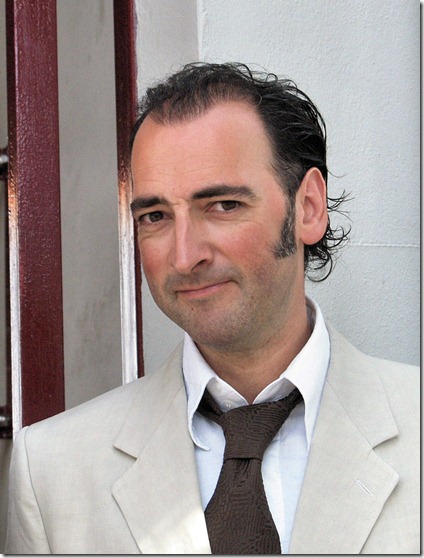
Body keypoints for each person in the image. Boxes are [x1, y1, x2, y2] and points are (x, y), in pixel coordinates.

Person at [6, 63, 419, 554]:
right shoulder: (50, 472)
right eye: (155, 216)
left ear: (308, 207)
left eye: (223, 205)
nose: (185, 256)